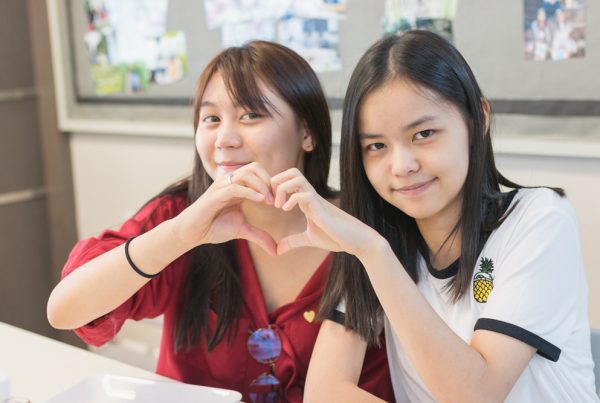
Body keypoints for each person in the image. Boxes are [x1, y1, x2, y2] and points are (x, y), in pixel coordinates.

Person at [250, 31, 598, 402]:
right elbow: (325, 392)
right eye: (377, 146)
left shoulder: (538, 219)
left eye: (424, 133)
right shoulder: (379, 236)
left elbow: (475, 395)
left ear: (478, 119)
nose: (402, 165)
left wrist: (374, 254)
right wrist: (373, 250)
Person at [46, 40, 394, 403]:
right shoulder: (180, 214)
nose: (224, 140)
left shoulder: (359, 229)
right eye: (211, 119)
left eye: (251, 115)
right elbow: (65, 310)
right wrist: (180, 235)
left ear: (306, 132)